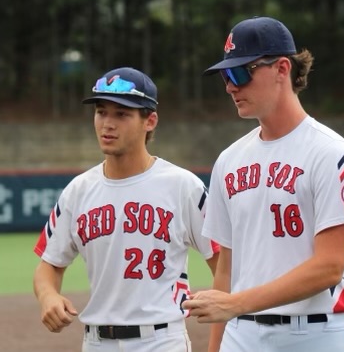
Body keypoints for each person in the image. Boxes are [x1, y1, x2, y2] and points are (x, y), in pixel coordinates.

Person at [182, 16, 344, 352]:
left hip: (317, 334)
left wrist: (237, 303)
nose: (230, 86)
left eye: (240, 72)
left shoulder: (329, 152)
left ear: (282, 69)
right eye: (226, 76)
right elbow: (226, 272)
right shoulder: (228, 160)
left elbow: (329, 266)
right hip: (242, 336)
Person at [33, 67, 219, 352]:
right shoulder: (78, 191)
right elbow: (48, 267)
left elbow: (223, 263)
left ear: (150, 121)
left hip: (161, 340)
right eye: (101, 111)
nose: (108, 123)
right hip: (95, 342)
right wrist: (48, 296)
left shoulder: (183, 186)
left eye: (122, 114)